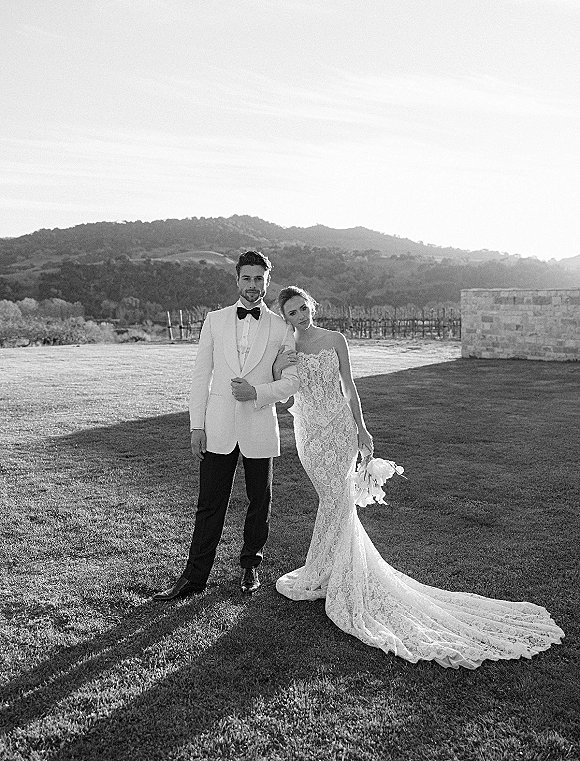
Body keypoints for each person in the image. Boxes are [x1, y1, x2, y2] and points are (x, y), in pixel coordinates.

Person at [272, 286, 564, 669]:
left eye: (303, 308)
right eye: (292, 313)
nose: (300, 316)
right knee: (331, 499)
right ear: (286, 318)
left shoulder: (335, 339)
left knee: (337, 499)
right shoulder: (286, 345)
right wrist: (278, 368)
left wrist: (362, 429)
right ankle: (328, 568)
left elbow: (349, 387)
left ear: (311, 305)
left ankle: (332, 570)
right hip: (309, 432)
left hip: (341, 429)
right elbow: (283, 395)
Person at [153, 252, 299, 601]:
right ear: (237, 280)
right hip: (217, 425)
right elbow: (201, 375)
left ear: (267, 282)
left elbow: (292, 381)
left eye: (259, 279)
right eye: (247, 278)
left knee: (259, 501)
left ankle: (250, 566)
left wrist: (257, 392)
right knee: (209, 504)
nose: (253, 285)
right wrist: (196, 426)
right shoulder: (214, 320)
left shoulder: (281, 327)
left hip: (259, 423)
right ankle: (194, 576)